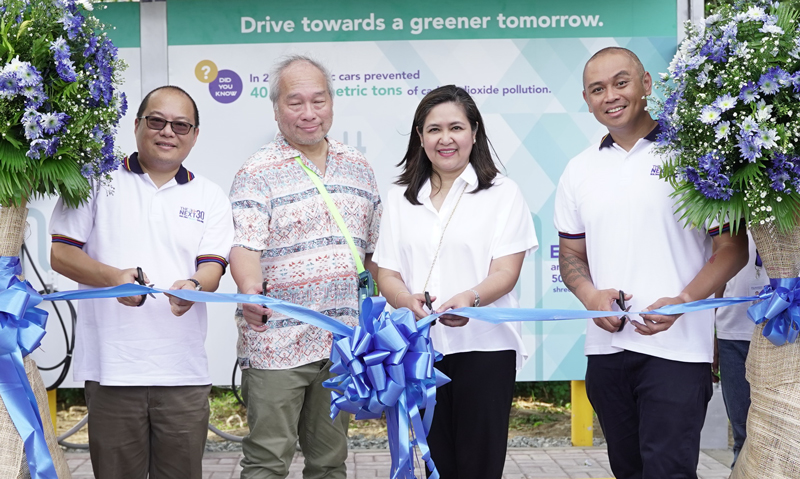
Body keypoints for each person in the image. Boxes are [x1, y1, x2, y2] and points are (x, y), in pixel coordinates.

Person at [553, 47, 748, 479]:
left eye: (621, 82)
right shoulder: (578, 170)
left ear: (646, 84)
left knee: (669, 471)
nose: (610, 96)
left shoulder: (695, 157)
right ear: (586, 99)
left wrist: (683, 300)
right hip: (605, 350)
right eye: (597, 89)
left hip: (678, 350)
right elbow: (571, 256)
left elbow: (733, 248)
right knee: (628, 470)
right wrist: (590, 296)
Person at [49, 85, 234, 478]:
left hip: (183, 374)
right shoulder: (95, 180)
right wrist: (115, 279)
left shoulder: (210, 195)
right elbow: (60, 254)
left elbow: (212, 269)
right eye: (157, 121)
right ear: (136, 125)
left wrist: (194, 287)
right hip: (112, 370)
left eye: (181, 125)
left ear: (195, 135)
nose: (168, 132)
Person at [228, 55, 382, 479]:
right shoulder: (256, 172)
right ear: (276, 108)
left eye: (319, 100)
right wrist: (250, 290)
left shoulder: (358, 166)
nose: (309, 113)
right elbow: (244, 247)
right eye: (295, 102)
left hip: (342, 342)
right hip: (277, 342)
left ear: (332, 102)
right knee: (267, 460)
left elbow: (374, 252)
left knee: (330, 461)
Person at [374, 85, 538, 479]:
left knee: (479, 466)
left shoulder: (503, 193)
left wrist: (471, 299)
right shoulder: (399, 197)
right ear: (420, 137)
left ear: (474, 132)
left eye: (456, 128)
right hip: (420, 351)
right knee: (437, 465)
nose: (445, 139)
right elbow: (387, 273)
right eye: (434, 129)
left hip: (486, 348)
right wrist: (405, 299)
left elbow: (506, 272)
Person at [714, 234, 761, 469]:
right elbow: (718, 270)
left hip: (787, 332)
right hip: (733, 331)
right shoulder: (728, 212)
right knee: (742, 432)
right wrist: (712, 333)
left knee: (784, 427)